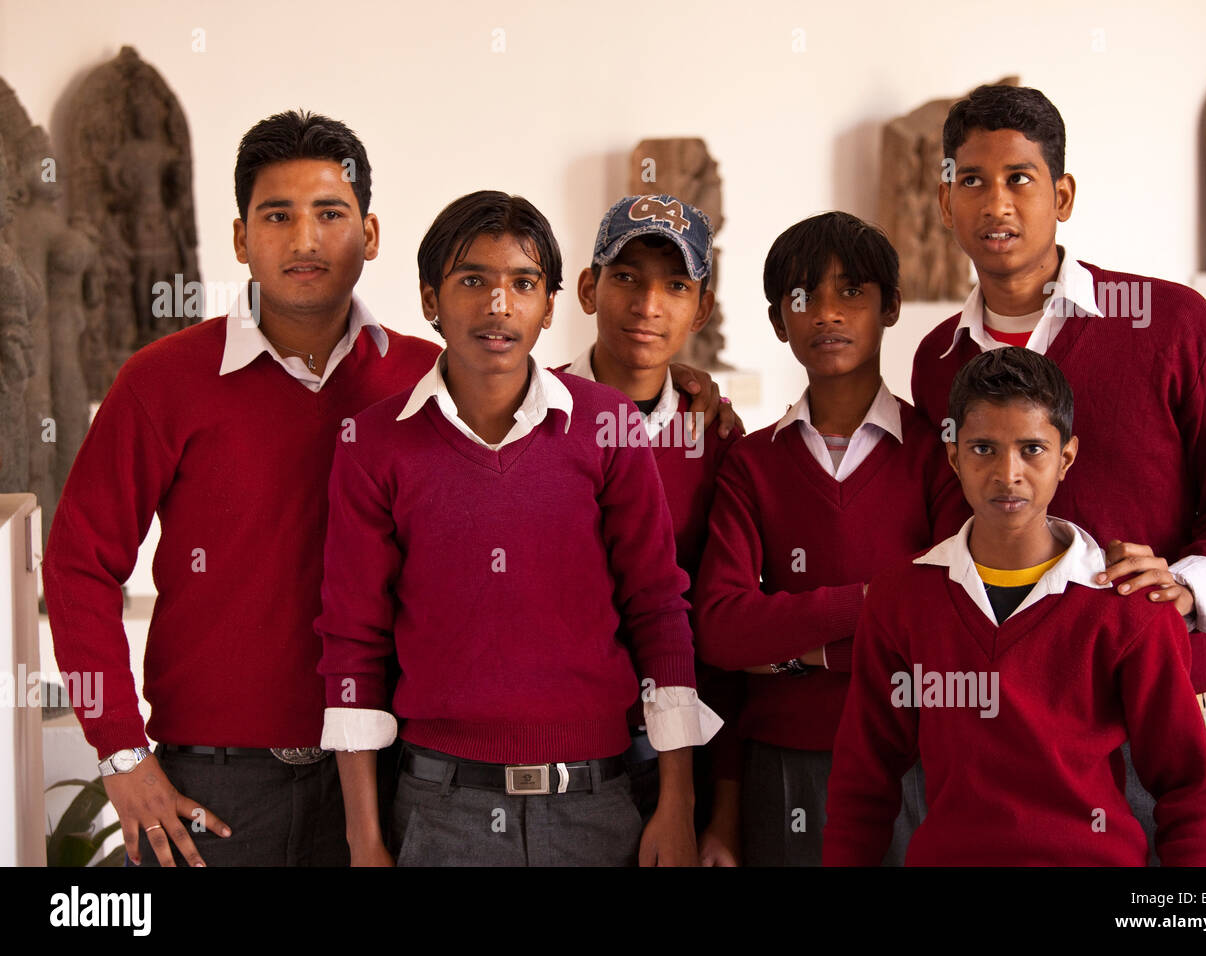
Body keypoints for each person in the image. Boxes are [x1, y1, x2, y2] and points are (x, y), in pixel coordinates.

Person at [42, 110, 440, 867]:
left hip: (392, 781)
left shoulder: (429, 378)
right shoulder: (161, 382)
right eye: (277, 216)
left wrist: (678, 393)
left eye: (331, 214)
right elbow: (76, 566)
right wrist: (122, 755)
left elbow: (555, 426)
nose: (304, 240)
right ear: (239, 239)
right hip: (212, 790)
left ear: (372, 232)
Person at [908, 84, 1206, 860]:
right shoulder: (937, 359)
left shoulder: (1171, 323)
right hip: (998, 712)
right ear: (945, 202)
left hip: (1148, 698)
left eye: (1020, 178)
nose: (995, 202)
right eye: (970, 180)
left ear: (1063, 194)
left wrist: (1187, 584)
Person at [316, 190, 719, 867]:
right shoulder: (373, 444)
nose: (498, 305)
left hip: (597, 804)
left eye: (523, 283)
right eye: (473, 279)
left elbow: (657, 610)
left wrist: (676, 801)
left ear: (550, 306)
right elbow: (353, 640)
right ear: (428, 299)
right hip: (441, 808)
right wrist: (365, 841)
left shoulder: (609, 424)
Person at [824, 347, 1206, 866]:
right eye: (983, 449)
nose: (1007, 473)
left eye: (1032, 449)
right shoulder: (901, 599)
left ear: (1066, 457)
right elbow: (864, 777)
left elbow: (1191, 788)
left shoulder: (1128, 606)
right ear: (953, 457)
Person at [693, 211, 966, 866]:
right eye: (802, 297)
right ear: (776, 320)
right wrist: (880, 601)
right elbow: (724, 630)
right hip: (782, 766)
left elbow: (950, 627)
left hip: (914, 760)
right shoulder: (752, 463)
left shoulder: (939, 456)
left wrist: (791, 657)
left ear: (891, 307)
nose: (826, 313)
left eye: (852, 292)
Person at [563, 194, 746, 865]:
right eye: (627, 277)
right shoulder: (534, 414)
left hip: (683, 751)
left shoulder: (715, 435)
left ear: (700, 310)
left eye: (675, 286)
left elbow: (724, 635)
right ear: (589, 288)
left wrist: (717, 812)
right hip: (566, 753)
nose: (648, 306)